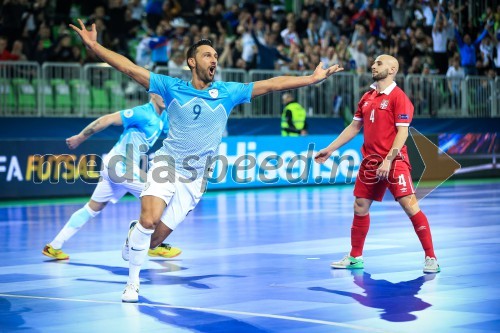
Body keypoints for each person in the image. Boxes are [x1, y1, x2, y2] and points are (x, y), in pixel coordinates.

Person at [69, 19, 343, 303]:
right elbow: (128, 67)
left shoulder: (227, 92)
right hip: (166, 165)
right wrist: (93, 45)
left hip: (195, 179)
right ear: (191, 62)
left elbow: (272, 84)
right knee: (148, 219)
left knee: (153, 239)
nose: (214, 60)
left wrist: (310, 79)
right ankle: (132, 284)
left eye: (215, 55)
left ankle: (136, 236)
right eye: (207, 55)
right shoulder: (171, 87)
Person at [314, 55, 440, 275]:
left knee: (410, 206)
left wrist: (388, 160)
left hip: (394, 161)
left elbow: (403, 132)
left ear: (392, 69)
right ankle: (355, 257)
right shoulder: (367, 97)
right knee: (360, 206)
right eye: (373, 63)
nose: (373, 65)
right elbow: (354, 128)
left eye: (379, 63)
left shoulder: (399, 98)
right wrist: (331, 148)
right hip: (370, 163)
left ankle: (431, 257)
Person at [42, 94, 182, 261]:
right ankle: (152, 243)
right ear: (152, 94)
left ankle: (54, 246)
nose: (165, 97)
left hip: (114, 167)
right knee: (159, 195)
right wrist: (80, 137)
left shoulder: (163, 117)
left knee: (92, 208)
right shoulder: (142, 113)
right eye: (161, 92)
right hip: (120, 167)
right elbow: (107, 119)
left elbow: (176, 130)